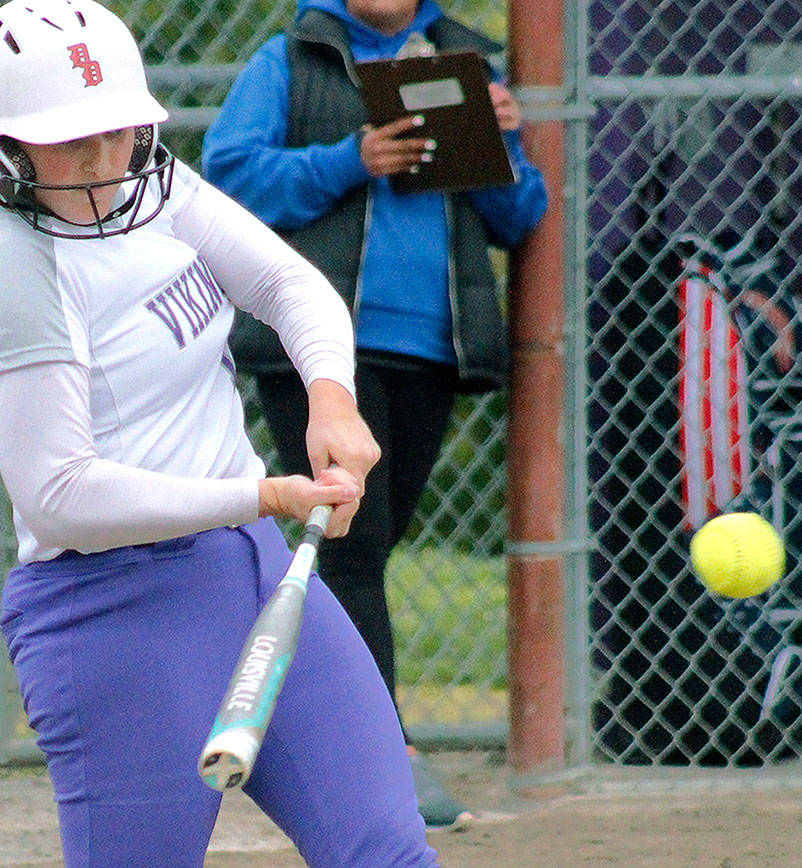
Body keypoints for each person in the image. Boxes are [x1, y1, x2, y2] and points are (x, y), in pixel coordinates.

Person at [0, 1, 440, 865]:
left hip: (251, 569)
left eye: (118, 132)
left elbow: (292, 286)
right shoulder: (13, 273)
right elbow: (61, 496)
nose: (106, 162)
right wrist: (264, 492)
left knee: (386, 850)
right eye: (72, 142)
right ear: (5, 150)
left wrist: (331, 397)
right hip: (111, 614)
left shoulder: (155, 183)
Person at [202, 0, 548, 828]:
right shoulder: (293, 58)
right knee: (350, 554)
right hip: (317, 358)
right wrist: (350, 159)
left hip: (429, 348)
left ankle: (283, 709)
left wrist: (493, 141)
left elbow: (520, 216)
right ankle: (386, 758)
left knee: (365, 549)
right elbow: (229, 179)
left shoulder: (466, 60)